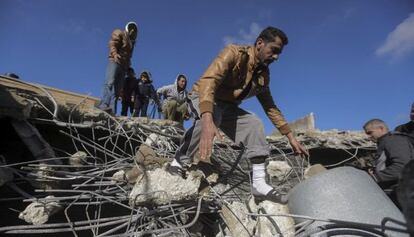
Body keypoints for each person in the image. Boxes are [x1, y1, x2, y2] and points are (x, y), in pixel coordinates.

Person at [168, 26, 308, 203]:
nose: (276, 57)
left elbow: (270, 107)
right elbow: (209, 81)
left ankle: (258, 184)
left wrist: (291, 137)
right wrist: (207, 117)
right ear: (259, 43)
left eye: (279, 53)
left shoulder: (263, 75)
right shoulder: (233, 53)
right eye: (274, 51)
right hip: (202, 95)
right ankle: (178, 163)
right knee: (213, 116)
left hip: (228, 107)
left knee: (254, 123)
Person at [363, 119, 414, 205]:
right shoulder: (385, 142)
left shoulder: (394, 140)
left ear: (381, 128)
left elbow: (402, 167)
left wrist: (375, 177)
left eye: (370, 133)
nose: (368, 136)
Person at [97, 21, 138, 115]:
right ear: (128, 27)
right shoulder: (119, 33)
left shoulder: (131, 44)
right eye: (131, 28)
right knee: (110, 82)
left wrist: (128, 67)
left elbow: (129, 57)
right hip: (115, 61)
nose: (132, 30)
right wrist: (115, 54)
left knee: (117, 90)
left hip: (123, 67)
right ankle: (104, 104)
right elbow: (112, 44)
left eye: (135, 30)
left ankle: (112, 111)